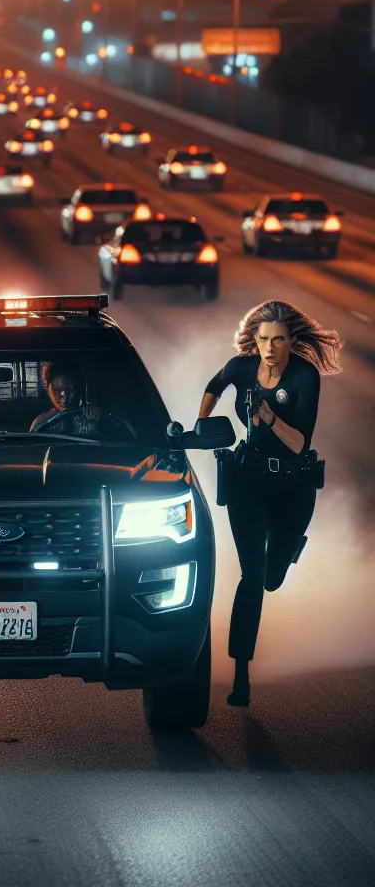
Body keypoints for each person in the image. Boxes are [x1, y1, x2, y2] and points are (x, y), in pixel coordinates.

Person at [198, 299, 342, 708]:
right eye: (263, 339)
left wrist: (267, 415)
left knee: (272, 578)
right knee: (252, 576)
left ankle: (289, 548)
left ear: (291, 341)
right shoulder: (242, 367)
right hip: (248, 481)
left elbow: (300, 442)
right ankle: (241, 676)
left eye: (278, 339)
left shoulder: (304, 377)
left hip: (291, 486)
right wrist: (201, 423)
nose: (270, 347)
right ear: (254, 340)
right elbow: (215, 383)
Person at [30, 361, 102, 435]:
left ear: (79, 388)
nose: (64, 394)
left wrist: (94, 420)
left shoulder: (89, 415)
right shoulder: (42, 421)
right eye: (57, 390)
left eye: (70, 389)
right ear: (49, 390)